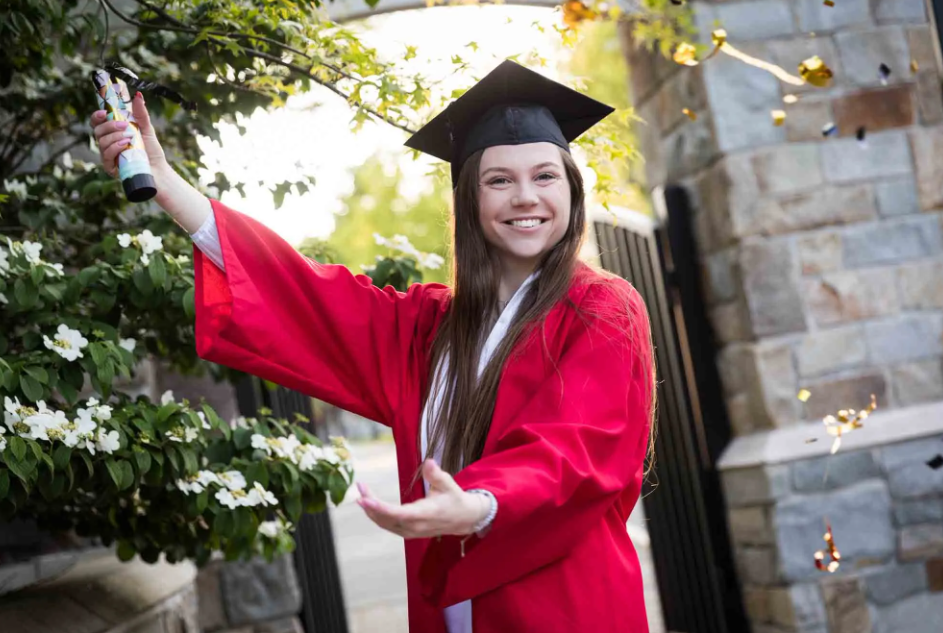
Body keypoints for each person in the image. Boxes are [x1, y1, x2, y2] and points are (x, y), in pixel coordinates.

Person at [90, 59, 656, 633]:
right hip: (454, 609)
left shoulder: (601, 307)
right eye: (499, 180)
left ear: (571, 189)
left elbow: (577, 447)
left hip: (566, 606)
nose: (524, 197)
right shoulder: (430, 325)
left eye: (545, 176)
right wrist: (163, 181)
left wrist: (480, 503)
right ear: (470, 199)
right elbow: (304, 294)